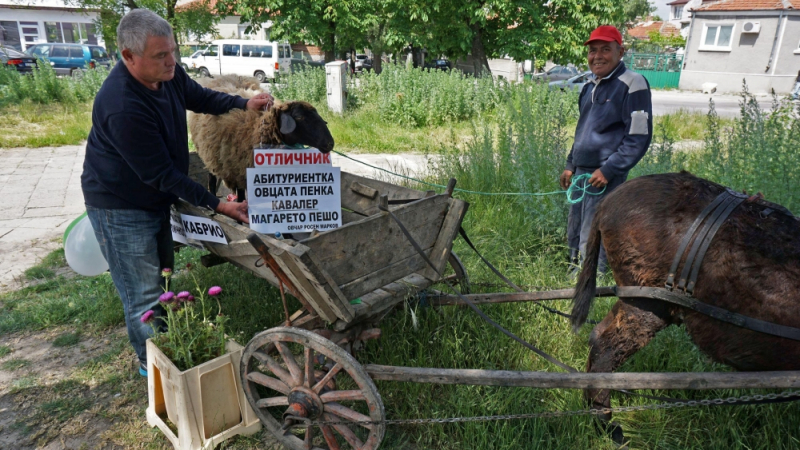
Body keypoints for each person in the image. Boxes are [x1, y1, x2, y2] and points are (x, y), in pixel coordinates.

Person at [81, 9, 274, 377]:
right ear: (128, 56)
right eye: (160, 55)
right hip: (120, 205)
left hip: (154, 196)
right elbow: (161, 174)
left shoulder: (167, 74)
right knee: (143, 292)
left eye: (173, 52)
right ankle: (152, 366)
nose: (171, 62)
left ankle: (170, 348)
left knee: (163, 274)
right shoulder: (122, 105)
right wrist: (220, 205)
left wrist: (242, 103)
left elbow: (198, 97)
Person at [560, 25, 653, 274]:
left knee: (595, 230)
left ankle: (592, 280)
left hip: (604, 176)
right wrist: (570, 165)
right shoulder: (589, 86)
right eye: (592, 50)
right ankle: (571, 273)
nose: (597, 56)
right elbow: (582, 131)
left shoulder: (633, 83)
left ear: (620, 51)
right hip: (581, 172)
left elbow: (638, 136)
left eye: (605, 49)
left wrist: (609, 170)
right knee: (575, 226)